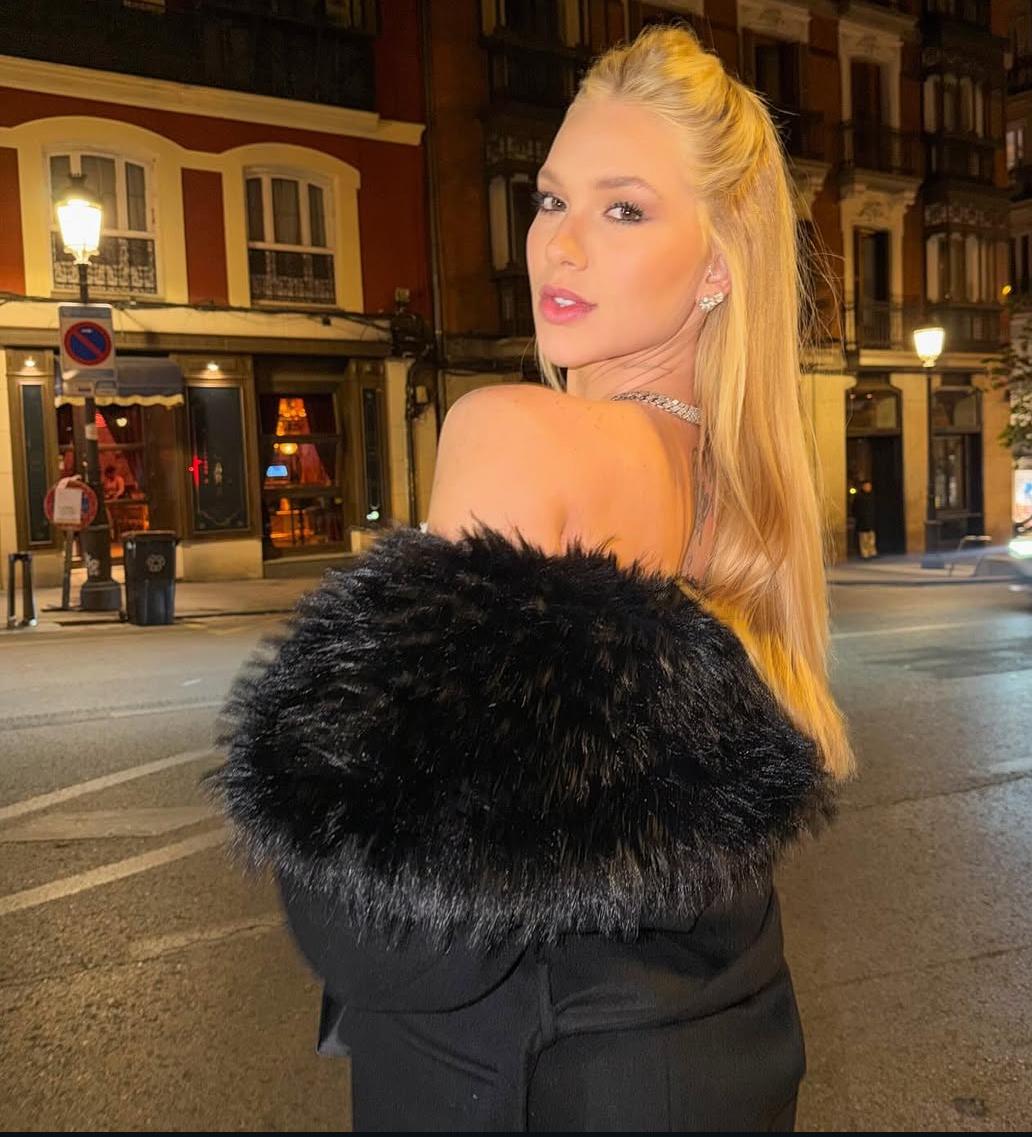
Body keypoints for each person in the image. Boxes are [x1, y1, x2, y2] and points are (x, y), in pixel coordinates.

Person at [210, 24, 856, 1132]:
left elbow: (391, 928)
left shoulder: (520, 434)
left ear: (718, 264)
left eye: (624, 210)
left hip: (525, 1078)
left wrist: (318, 753)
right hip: (720, 1051)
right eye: (551, 199)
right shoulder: (740, 493)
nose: (560, 245)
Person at [854, 480, 878, 558]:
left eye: (869, 486)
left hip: (871, 520)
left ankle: (872, 552)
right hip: (862, 521)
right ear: (863, 487)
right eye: (867, 486)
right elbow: (855, 509)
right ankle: (865, 553)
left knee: (871, 537)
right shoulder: (859, 497)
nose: (868, 488)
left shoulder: (872, 496)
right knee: (863, 538)